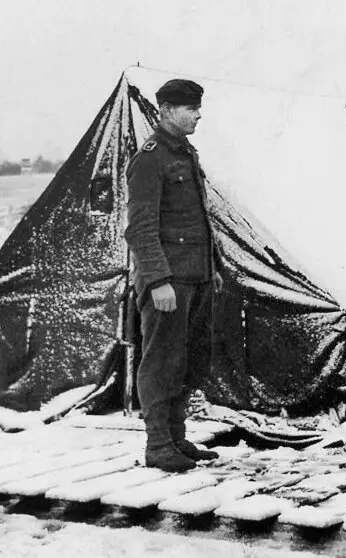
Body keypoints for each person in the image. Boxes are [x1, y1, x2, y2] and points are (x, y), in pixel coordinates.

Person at [125, 79, 222, 473]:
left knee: (188, 359)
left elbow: (199, 220)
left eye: (198, 107)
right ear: (165, 110)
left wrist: (210, 270)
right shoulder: (150, 158)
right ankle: (158, 445)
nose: (198, 114)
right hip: (169, 281)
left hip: (195, 277)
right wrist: (158, 280)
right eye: (189, 108)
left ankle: (177, 438)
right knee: (161, 361)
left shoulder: (185, 154)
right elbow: (140, 228)